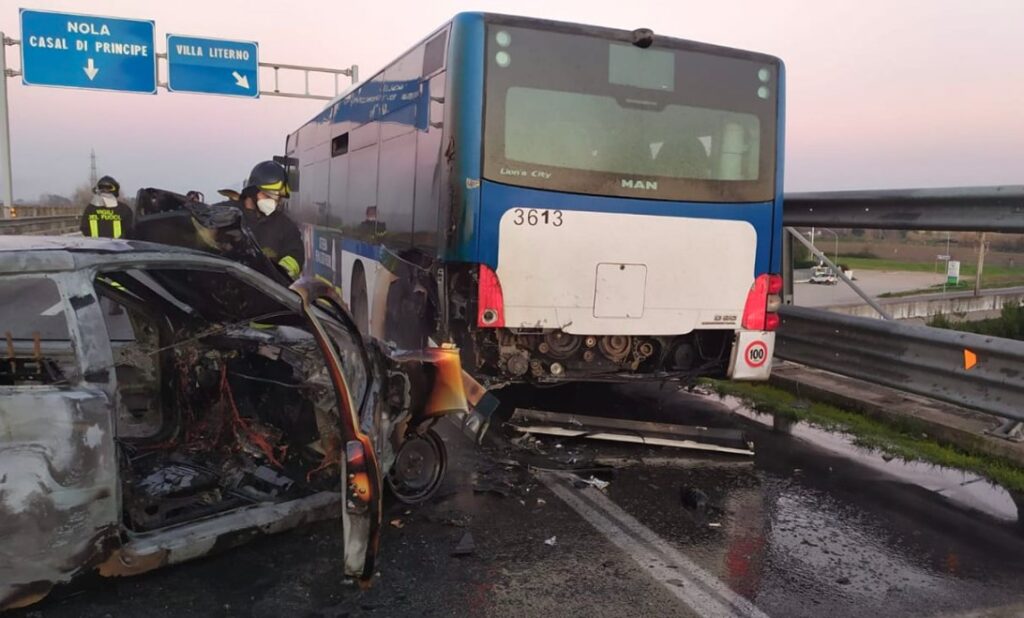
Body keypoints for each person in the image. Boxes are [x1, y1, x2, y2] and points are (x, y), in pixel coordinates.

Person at [231, 161, 305, 280]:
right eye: (269, 196)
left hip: (265, 292)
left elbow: (295, 256)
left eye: (278, 198)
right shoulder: (228, 214)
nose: (274, 202)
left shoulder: (286, 226)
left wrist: (280, 272)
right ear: (252, 192)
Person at [80, 175, 134, 240]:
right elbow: (130, 232)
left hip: (95, 248)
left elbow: (84, 228)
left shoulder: (90, 208)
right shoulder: (124, 209)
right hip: (118, 248)